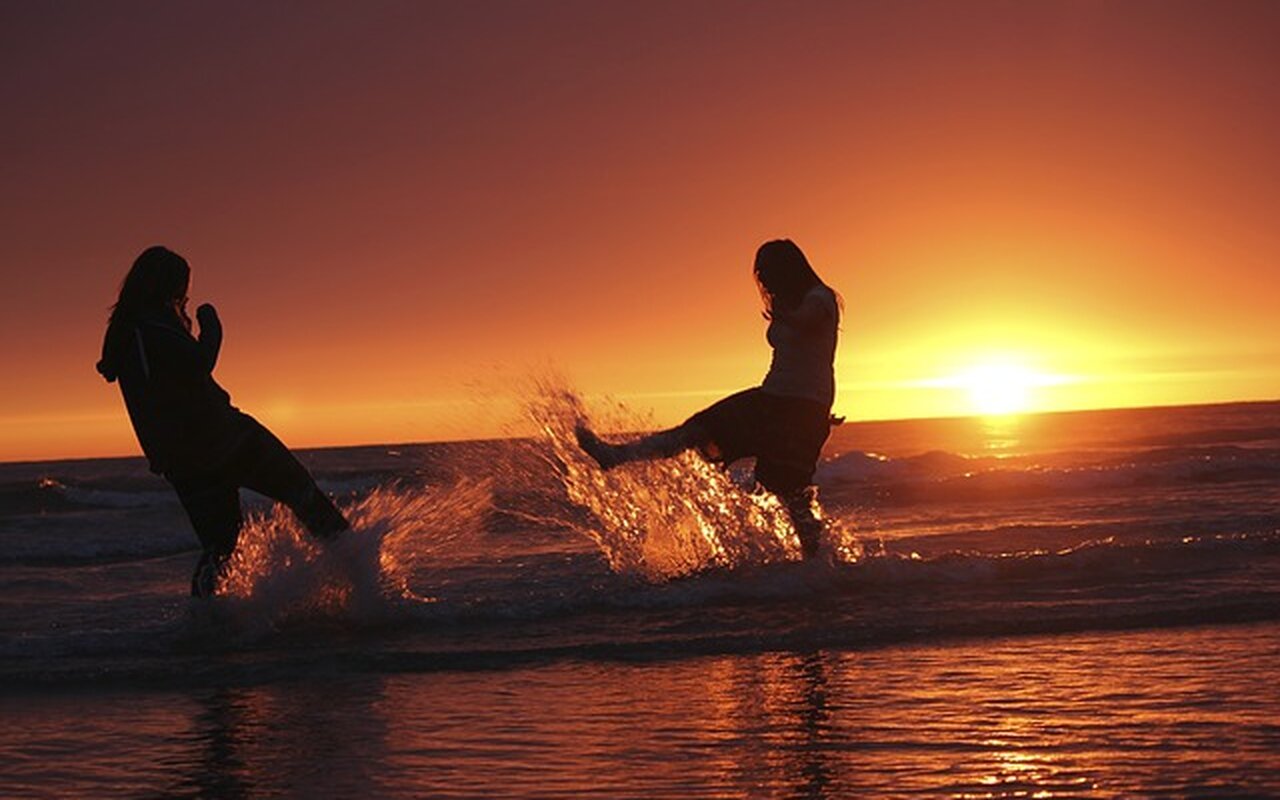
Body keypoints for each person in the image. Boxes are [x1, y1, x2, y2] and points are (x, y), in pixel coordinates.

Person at [97, 246, 349, 597]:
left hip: (185, 461)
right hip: (227, 438)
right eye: (181, 284)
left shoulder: (129, 333)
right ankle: (363, 577)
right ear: (165, 284)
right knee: (305, 497)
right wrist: (211, 324)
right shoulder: (150, 330)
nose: (184, 293)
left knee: (220, 547)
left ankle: (207, 623)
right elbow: (200, 364)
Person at [575, 239, 840, 557]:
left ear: (788, 269)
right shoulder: (790, 303)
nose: (764, 280)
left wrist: (814, 412)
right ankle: (615, 456)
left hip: (801, 404)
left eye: (768, 272)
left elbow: (807, 322)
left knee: (789, 488)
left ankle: (815, 564)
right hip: (774, 396)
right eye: (761, 273)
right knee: (696, 430)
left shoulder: (820, 298)